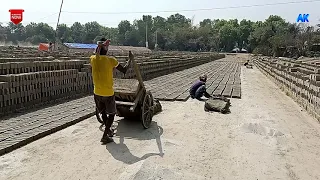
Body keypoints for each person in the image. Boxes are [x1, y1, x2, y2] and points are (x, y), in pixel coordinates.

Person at [90, 37, 133, 144]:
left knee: (103, 112)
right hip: (108, 93)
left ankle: (108, 130)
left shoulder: (92, 59)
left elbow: (97, 57)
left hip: (96, 92)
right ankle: (105, 135)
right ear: (106, 48)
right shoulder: (111, 60)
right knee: (112, 114)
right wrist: (130, 60)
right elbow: (124, 70)